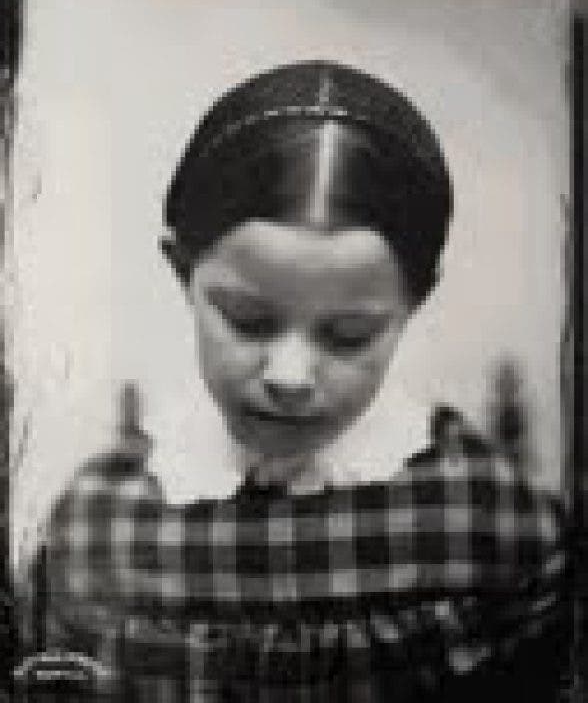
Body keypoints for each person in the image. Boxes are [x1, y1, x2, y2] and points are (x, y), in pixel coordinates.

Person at [23, 61, 568, 701]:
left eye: (348, 335)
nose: (290, 377)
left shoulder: (492, 524)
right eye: (248, 320)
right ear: (180, 269)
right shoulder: (96, 527)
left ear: (417, 299)